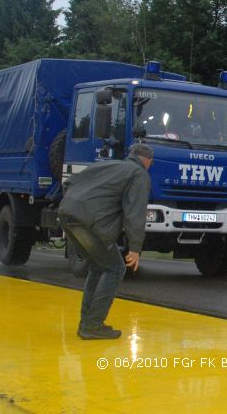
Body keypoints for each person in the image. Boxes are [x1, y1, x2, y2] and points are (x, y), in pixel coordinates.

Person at [58, 143, 153, 340]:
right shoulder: (138, 174)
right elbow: (135, 212)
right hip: (89, 223)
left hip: (68, 215)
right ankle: (92, 325)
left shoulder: (105, 165)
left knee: (97, 266)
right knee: (115, 268)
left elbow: (69, 182)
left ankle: (87, 322)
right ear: (148, 161)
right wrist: (135, 248)